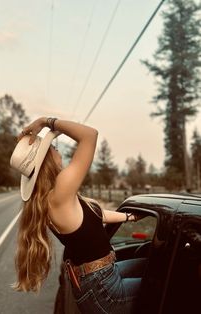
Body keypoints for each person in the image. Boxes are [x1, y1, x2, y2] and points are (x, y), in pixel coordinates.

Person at [10, 117, 147, 314]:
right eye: (52, 148)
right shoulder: (59, 194)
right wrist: (46, 121)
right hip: (102, 287)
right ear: (46, 159)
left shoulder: (52, 197)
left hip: (101, 277)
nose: (56, 149)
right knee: (170, 281)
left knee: (155, 263)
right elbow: (89, 136)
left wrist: (130, 217)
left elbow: (94, 217)